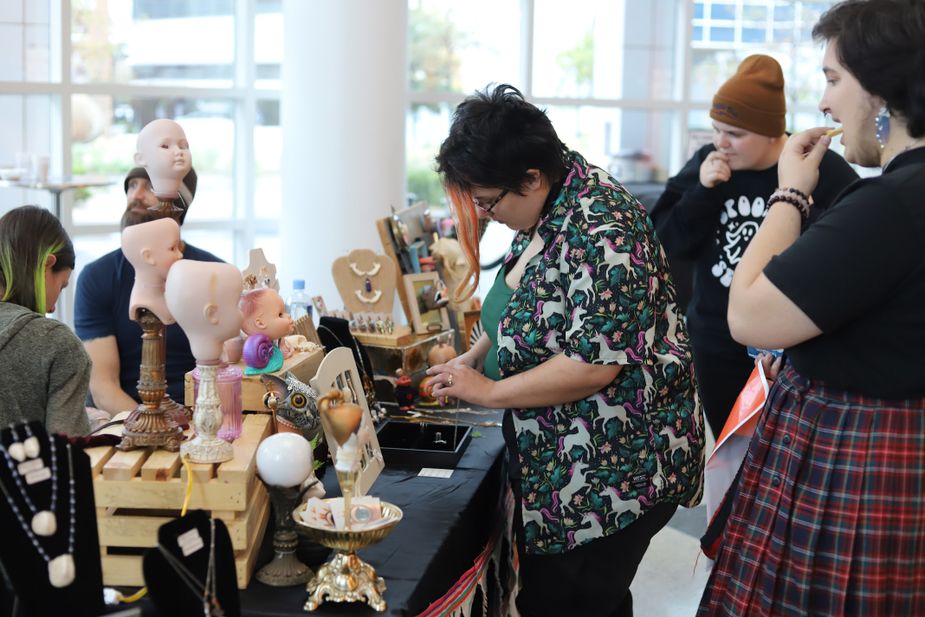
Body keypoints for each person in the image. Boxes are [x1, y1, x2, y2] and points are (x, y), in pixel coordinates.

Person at [429, 84, 704, 617]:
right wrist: (471, 358)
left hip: (615, 468)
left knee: (573, 602)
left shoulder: (604, 227)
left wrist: (490, 390)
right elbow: (520, 304)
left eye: (488, 201)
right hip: (572, 459)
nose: (484, 215)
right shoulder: (549, 201)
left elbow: (593, 363)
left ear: (531, 177)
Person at [698, 1, 925, 614]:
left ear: (882, 89)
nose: (824, 104)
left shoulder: (891, 204)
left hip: (857, 465)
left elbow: (748, 314)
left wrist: (791, 192)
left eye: (832, 80)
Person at [650, 55, 858, 437]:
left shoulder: (815, 168)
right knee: (731, 451)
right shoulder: (707, 163)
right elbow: (665, 244)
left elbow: (853, 252)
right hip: (716, 337)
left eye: (734, 133)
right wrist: (703, 192)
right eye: (716, 130)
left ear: (770, 133)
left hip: (792, 342)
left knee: (783, 454)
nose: (721, 143)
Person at [74, 167, 223, 415]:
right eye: (132, 185)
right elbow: (103, 388)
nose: (136, 195)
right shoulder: (97, 278)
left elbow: (227, 371)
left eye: (149, 186)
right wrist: (152, 429)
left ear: (178, 205)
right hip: (127, 424)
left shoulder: (214, 274)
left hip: (204, 418)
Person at [0, 206, 90, 435]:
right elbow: (66, 454)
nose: (52, 307)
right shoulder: (58, 344)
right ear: (46, 264)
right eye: (61, 287)